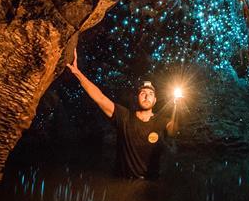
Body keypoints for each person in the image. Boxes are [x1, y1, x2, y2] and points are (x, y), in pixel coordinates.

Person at [66, 47, 179, 180]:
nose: (146, 96)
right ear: (137, 98)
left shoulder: (162, 121)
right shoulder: (124, 116)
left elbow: (172, 131)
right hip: (122, 182)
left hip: (149, 186)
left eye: (150, 94)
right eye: (143, 93)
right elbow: (100, 98)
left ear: (155, 100)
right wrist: (77, 73)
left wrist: (177, 107)